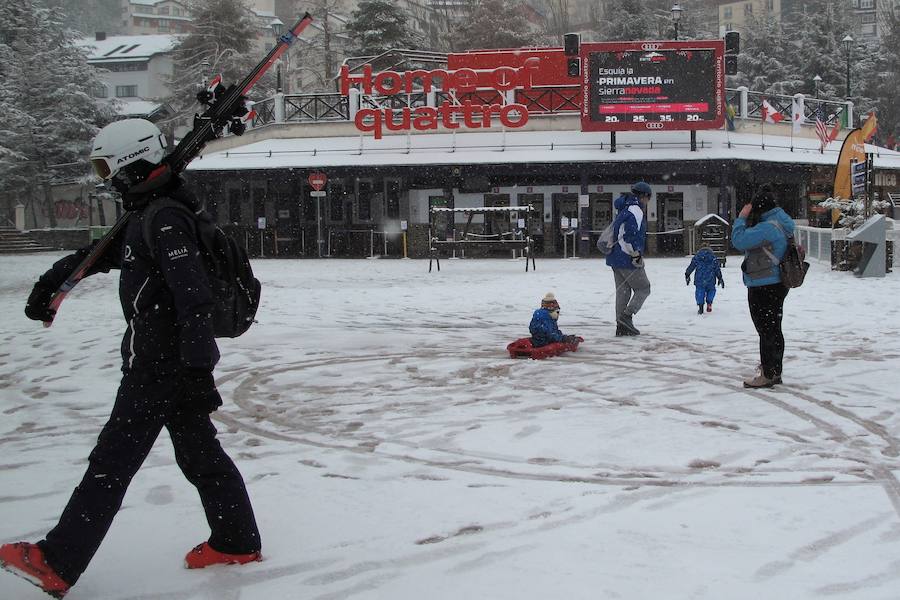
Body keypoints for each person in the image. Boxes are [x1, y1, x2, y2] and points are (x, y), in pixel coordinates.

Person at [0, 119, 261, 598]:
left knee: (112, 462)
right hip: (171, 360)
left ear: (128, 161)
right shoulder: (152, 212)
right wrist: (50, 285)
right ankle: (236, 540)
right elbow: (100, 253)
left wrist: (199, 366)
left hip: (159, 364)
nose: (104, 176)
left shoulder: (163, 217)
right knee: (200, 452)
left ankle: (56, 560)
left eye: (105, 166)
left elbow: (194, 296)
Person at [732, 185, 794, 388]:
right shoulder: (782, 220)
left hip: (764, 283)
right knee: (774, 328)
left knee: (766, 330)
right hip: (776, 283)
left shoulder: (768, 227)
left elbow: (739, 241)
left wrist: (741, 218)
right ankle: (774, 369)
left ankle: (768, 373)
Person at [605, 181, 652, 336]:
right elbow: (628, 237)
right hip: (627, 257)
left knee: (623, 291)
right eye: (648, 198)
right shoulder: (636, 211)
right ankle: (626, 317)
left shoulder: (624, 208)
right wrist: (635, 254)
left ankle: (621, 326)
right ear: (644, 196)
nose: (648, 202)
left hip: (614, 257)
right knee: (644, 288)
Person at [685, 243, 725, 314]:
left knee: (700, 291)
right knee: (711, 290)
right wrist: (720, 277)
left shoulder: (697, 257)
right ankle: (709, 302)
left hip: (700, 278)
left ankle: (701, 307)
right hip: (711, 277)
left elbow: (692, 266)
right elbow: (717, 269)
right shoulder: (713, 257)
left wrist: (687, 274)